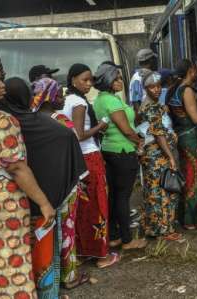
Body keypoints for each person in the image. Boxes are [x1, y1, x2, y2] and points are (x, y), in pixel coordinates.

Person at [0, 77, 89, 298]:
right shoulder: (46, 125)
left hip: (7, 199)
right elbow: (68, 137)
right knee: (43, 247)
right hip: (43, 200)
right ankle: (46, 291)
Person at [0, 58, 55, 298]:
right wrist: (43, 203)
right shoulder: (2, 120)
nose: (3, 85)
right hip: (3, 201)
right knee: (12, 260)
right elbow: (17, 168)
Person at [30, 77, 91, 290]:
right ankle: (69, 275)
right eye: (59, 94)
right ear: (51, 96)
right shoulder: (61, 120)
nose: (62, 97)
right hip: (65, 184)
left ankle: (50, 274)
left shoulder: (30, 120)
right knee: (67, 228)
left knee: (46, 233)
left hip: (40, 186)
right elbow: (73, 151)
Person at [60, 63, 120, 268]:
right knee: (98, 205)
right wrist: (101, 126)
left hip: (77, 159)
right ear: (73, 79)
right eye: (84, 80)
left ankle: (84, 251)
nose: (89, 84)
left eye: (91, 80)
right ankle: (101, 255)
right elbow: (79, 135)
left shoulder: (67, 100)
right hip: (90, 157)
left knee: (84, 206)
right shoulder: (79, 103)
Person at [93, 62, 148, 250]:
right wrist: (139, 143)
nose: (120, 81)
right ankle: (127, 240)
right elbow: (126, 130)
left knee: (115, 196)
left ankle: (115, 236)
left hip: (109, 150)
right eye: (116, 78)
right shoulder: (112, 101)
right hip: (123, 151)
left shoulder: (100, 99)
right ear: (108, 80)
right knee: (123, 197)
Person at [138, 71, 181, 240]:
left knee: (153, 190)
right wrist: (170, 156)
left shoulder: (149, 104)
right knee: (163, 191)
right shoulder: (152, 107)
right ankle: (164, 230)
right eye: (151, 87)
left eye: (158, 86)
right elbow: (159, 134)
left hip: (152, 155)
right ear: (145, 88)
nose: (156, 90)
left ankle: (152, 226)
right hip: (157, 155)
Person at [167, 59, 197, 229]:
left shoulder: (175, 89)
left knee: (191, 175)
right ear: (191, 71)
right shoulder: (187, 91)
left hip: (184, 137)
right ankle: (192, 220)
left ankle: (188, 218)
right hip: (191, 138)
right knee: (194, 177)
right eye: (195, 68)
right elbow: (196, 118)